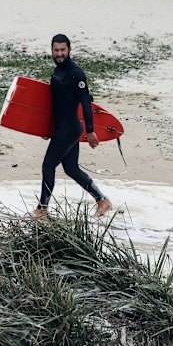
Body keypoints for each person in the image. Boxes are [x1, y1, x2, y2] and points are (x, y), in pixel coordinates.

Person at [32, 34, 112, 218]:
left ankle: (42, 209)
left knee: (48, 166)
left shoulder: (76, 73)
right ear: (52, 50)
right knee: (71, 169)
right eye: (56, 50)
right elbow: (55, 105)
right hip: (61, 128)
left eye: (62, 50)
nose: (59, 54)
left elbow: (85, 103)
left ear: (69, 50)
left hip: (70, 129)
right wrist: (47, 128)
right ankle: (102, 200)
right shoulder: (56, 72)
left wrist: (90, 131)